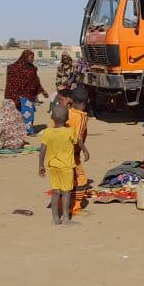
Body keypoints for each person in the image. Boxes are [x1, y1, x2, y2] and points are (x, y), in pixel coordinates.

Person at [39, 105, 89, 226]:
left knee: (56, 192)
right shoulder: (69, 132)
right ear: (67, 118)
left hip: (52, 167)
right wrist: (85, 151)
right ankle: (66, 218)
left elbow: (42, 150)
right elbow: (79, 141)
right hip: (66, 167)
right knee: (66, 192)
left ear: (52, 117)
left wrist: (41, 165)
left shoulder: (47, 132)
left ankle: (55, 218)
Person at [4, 49, 48, 135]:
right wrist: (13, 94)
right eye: (31, 57)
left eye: (33, 57)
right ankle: (20, 131)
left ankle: (29, 131)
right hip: (16, 95)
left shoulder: (32, 68)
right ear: (25, 57)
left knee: (28, 113)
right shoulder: (13, 68)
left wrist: (42, 91)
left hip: (29, 95)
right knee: (18, 113)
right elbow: (10, 82)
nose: (33, 59)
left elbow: (36, 81)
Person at [66, 88, 91, 216]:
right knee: (81, 180)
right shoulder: (82, 117)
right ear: (87, 101)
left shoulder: (67, 112)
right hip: (73, 154)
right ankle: (75, 206)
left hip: (62, 152)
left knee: (66, 179)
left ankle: (62, 204)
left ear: (72, 100)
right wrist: (85, 150)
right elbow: (78, 137)